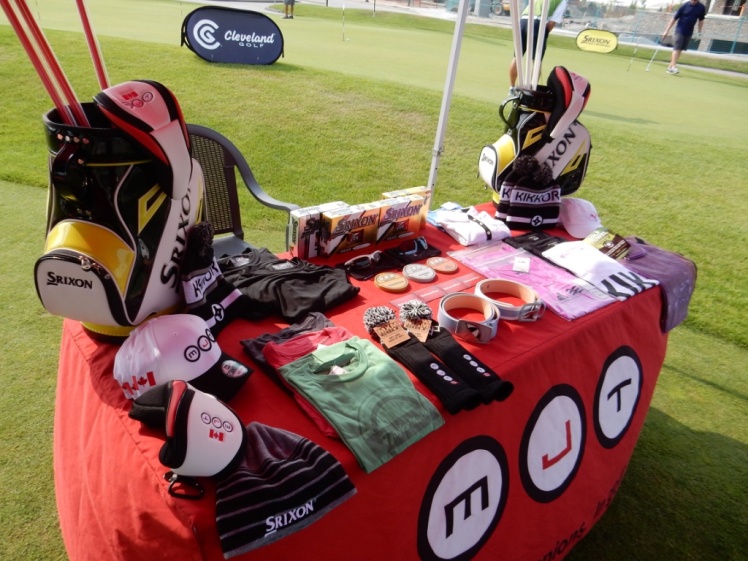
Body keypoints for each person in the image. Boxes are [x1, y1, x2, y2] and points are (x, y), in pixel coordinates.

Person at [508, 0, 569, 91]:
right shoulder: (562, 1)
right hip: (537, 23)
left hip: (523, 21)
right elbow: (551, 23)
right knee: (537, 61)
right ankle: (530, 91)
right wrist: (545, 33)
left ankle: (512, 88)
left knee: (517, 57)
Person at [661, 0, 706, 75]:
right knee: (677, 48)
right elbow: (674, 18)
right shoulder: (684, 5)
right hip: (680, 30)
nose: (694, 1)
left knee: (680, 49)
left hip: (689, 32)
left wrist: (699, 32)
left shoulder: (701, 7)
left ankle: (670, 67)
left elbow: (701, 20)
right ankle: (673, 67)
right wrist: (666, 30)